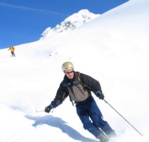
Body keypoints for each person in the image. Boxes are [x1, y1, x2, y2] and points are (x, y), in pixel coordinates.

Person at [45, 61, 116, 142]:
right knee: (87, 125)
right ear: (64, 72)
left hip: (90, 102)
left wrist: (98, 92)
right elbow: (59, 98)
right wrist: (51, 106)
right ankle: (102, 138)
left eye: (71, 71)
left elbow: (94, 83)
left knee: (98, 121)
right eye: (68, 72)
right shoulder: (64, 84)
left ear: (73, 70)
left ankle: (113, 137)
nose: (70, 74)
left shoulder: (80, 77)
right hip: (79, 106)